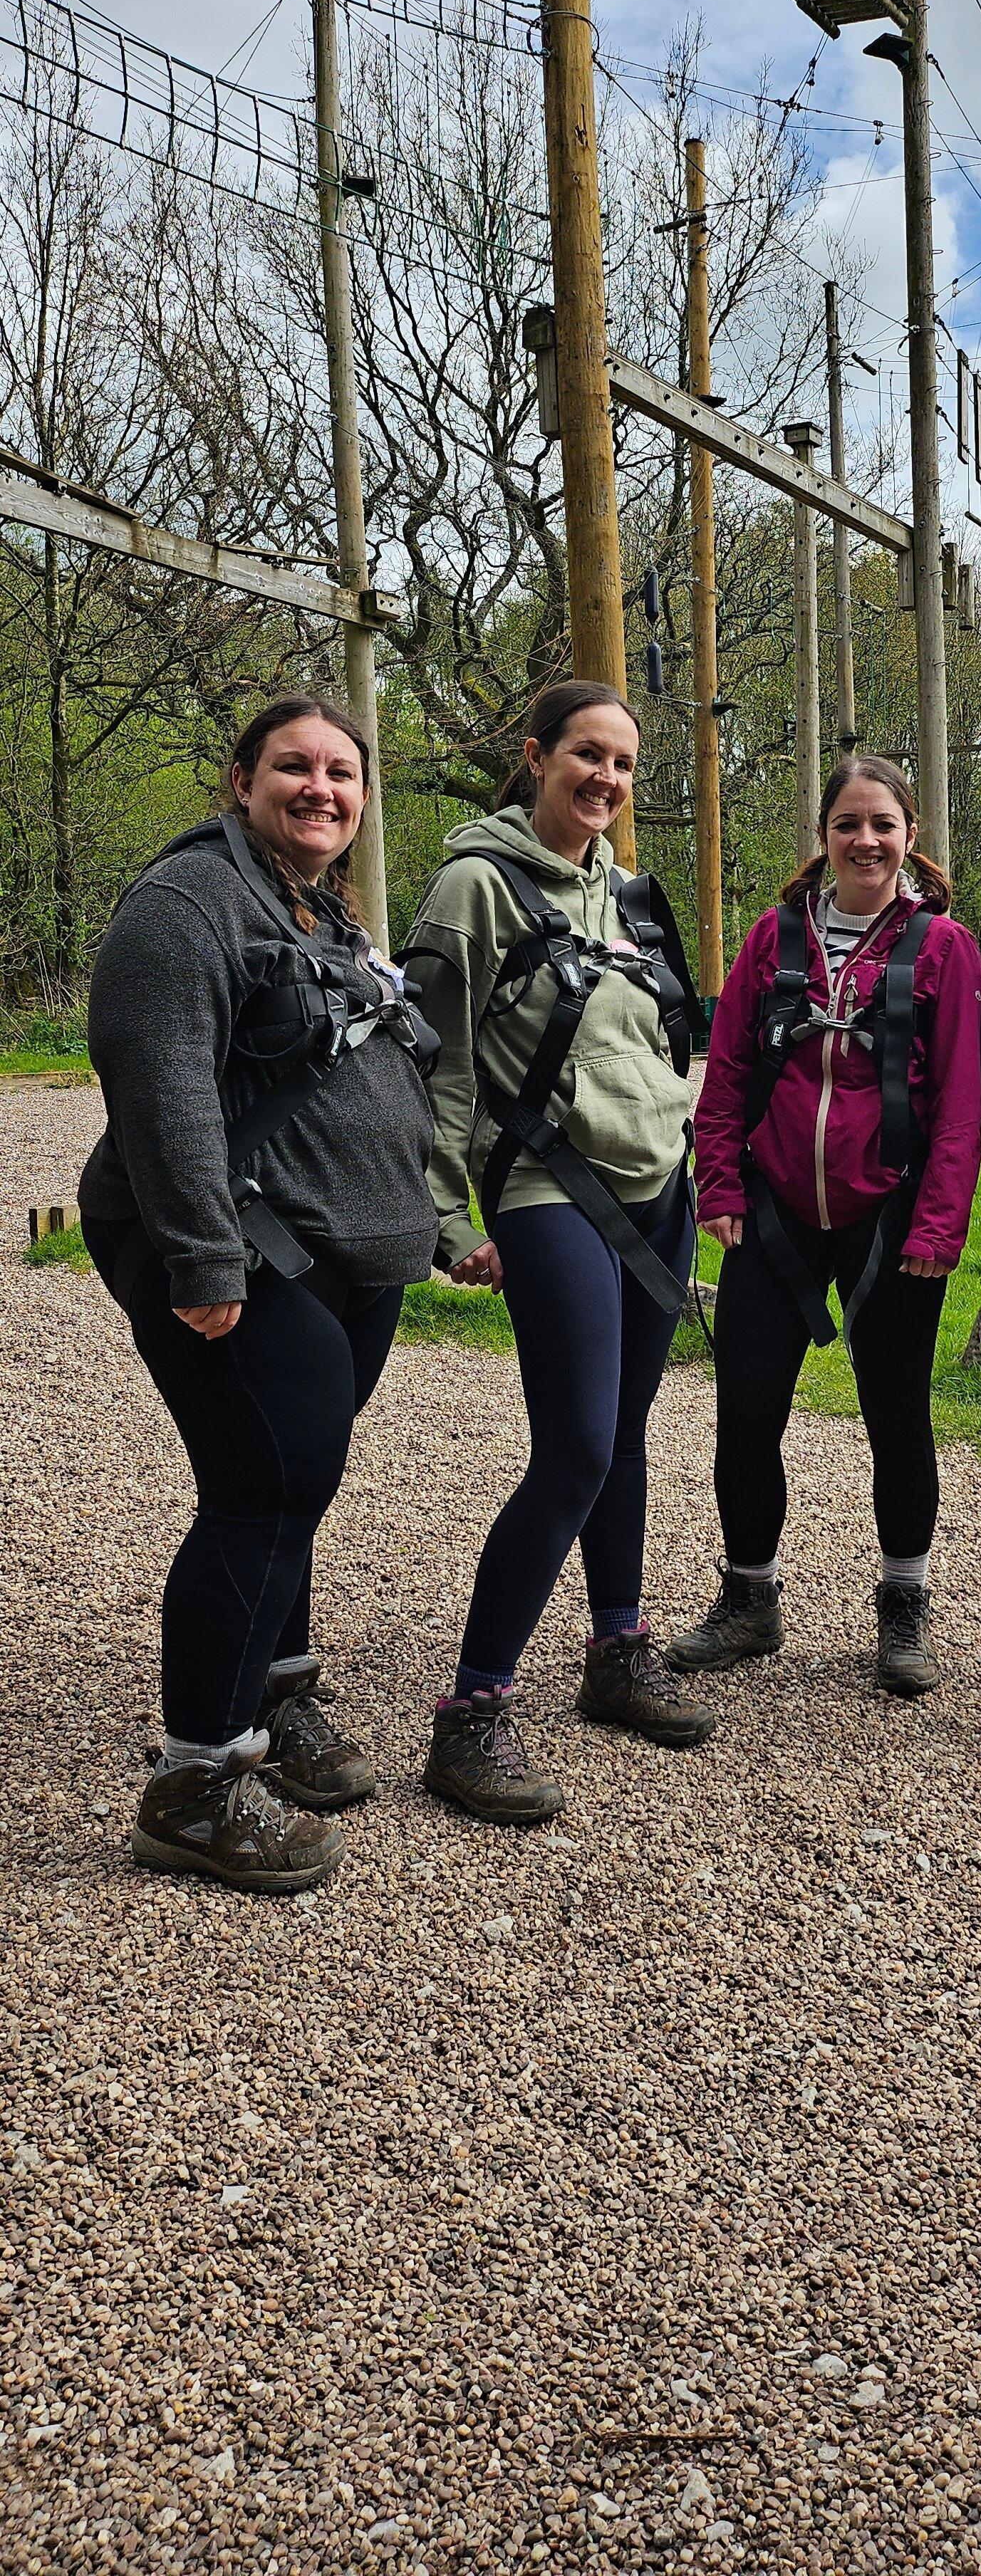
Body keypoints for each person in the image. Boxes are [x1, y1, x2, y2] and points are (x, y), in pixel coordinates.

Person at [78, 697, 440, 1892]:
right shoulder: (187, 904)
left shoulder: (324, 911)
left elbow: (370, 1079)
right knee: (264, 1489)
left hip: (338, 1255)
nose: (322, 788)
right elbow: (160, 1078)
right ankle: (194, 1787)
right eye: (296, 766)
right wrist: (204, 1261)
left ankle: (279, 1700)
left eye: (344, 772)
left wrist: (429, 1226)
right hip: (236, 1250)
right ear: (242, 780)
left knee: (297, 1484)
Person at [403, 678, 713, 1822]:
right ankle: (472, 1712)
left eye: (624, 766)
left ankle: (617, 1646)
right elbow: (428, 1059)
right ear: (536, 757)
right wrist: (445, 1214)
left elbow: (663, 1038)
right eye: (588, 755)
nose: (607, 780)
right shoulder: (473, 886)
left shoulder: (625, 895)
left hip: (655, 1187)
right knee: (576, 1446)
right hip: (549, 1185)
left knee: (625, 1433)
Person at [674, 755, 981, 1696]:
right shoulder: (773, 938)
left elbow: (963, 1102)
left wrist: (937, 1229)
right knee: (746, 1414)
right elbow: (724, 1071)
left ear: (910, 838)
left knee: (898, 1415)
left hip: (889, 1218)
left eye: (882, 825)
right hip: (772, 1215)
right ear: (824, 836)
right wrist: (717, 1190)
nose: (865, 841)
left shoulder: (944, 949)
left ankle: (903, 1603)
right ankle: (751, 1598)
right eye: (848, 824)